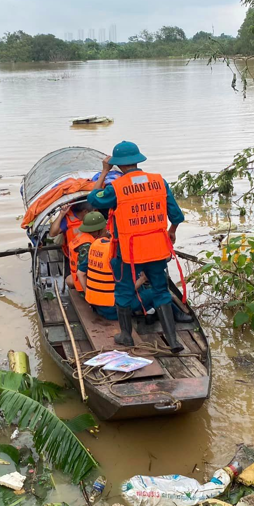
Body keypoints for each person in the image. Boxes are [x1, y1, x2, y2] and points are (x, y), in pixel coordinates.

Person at [88, 141, 186, 352]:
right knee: (161, 291)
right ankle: (174, 341)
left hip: (128, 253)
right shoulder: (159, 181)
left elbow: (94, 200)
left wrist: (104, 172)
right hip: (157, 249)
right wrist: (172, 231)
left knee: (123, 292)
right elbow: (177, 215)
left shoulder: (117, 188)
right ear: (137, 160)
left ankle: (126, 335)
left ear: (118, 165)